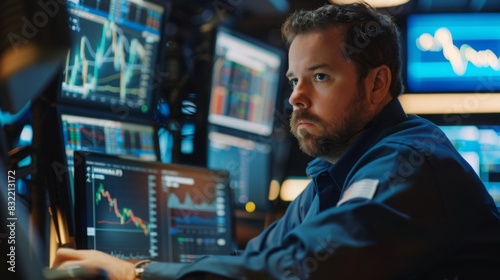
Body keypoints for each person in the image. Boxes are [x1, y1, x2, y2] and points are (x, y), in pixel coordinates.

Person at [53, 2, 500, 279]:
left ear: (377, 85)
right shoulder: (331, 177)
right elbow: (264, 258)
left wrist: (137, 274)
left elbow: (303, 269)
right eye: (292, 80)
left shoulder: (411, 162)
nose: (296, 98)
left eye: (320, 77)